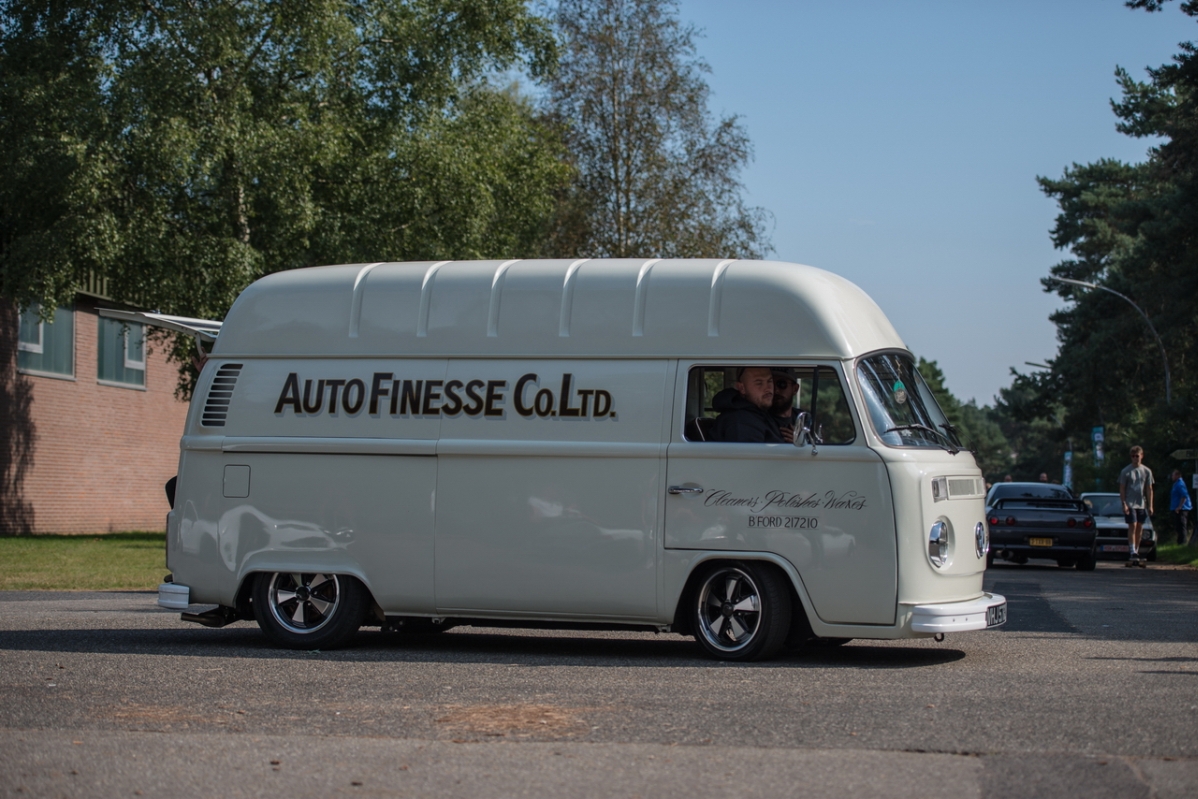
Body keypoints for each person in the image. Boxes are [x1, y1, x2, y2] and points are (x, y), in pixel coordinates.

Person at [710, 366, 786, 443]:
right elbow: (750, 451)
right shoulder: (742, 421)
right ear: (742, 388)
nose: (768, 388)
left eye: (770, 381)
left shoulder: (759, 414)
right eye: (759, 383)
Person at [1118, 445, 1154, 566]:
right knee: (1132, 525)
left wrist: (1150, 505)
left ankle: (1136, 551)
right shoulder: (1126, 471)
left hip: (1141, 503)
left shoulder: (1147, 471)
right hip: (1130, 503)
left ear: (1141, 456)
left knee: (1140, 526)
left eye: (1137, 456)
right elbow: (1122, 488)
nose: (1135, 458)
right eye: (1133, 456)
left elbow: (1149, 489)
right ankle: (1132, 550)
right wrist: (1124, 503)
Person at [770, 370, 801, 441]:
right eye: (771, 384)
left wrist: (802, 442)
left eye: (782, 384)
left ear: (795, 389)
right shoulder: (759, 419)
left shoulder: (802, 419)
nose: (775, 390)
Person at [1169, 469, 1193, 545]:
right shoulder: (1176, 484)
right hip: (1176, 508)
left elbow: (1184, 496)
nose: (1172, 476)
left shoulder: (1180, 484)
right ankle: (1179, 541)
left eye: (1173, 475)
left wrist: (1180, 506)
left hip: (1182, 508)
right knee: (1178, 526)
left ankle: (1183, 542)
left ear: (1177, 475)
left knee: (1182, 525)